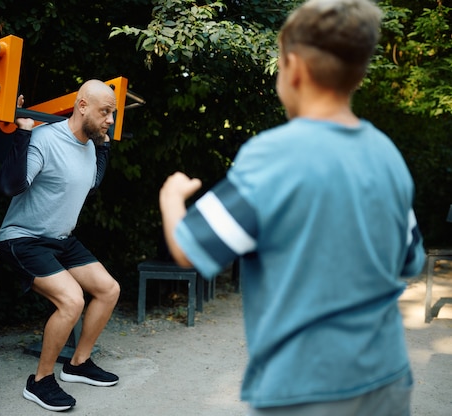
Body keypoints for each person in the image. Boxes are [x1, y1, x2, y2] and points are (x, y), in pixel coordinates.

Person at [159, 1, 425, 415]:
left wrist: (172, 198)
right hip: (387, 378)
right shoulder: (387, 155)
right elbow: (409, 261)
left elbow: (191, 250)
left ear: (294, 67)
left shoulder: (273, 156)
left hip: (303, 389)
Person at [0, 79, 121, 412]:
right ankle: (40, 382)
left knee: (109, 290)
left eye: (113, 113)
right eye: (105, 112)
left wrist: (105, 147)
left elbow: (91, 183)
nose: (110, 120)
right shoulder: (45, 138)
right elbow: (11, 185)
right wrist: (22, 132)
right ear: (82, 106)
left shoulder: (91, 146)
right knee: (71, 300)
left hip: (61, 239)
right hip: (23, 238)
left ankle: (78, 364)